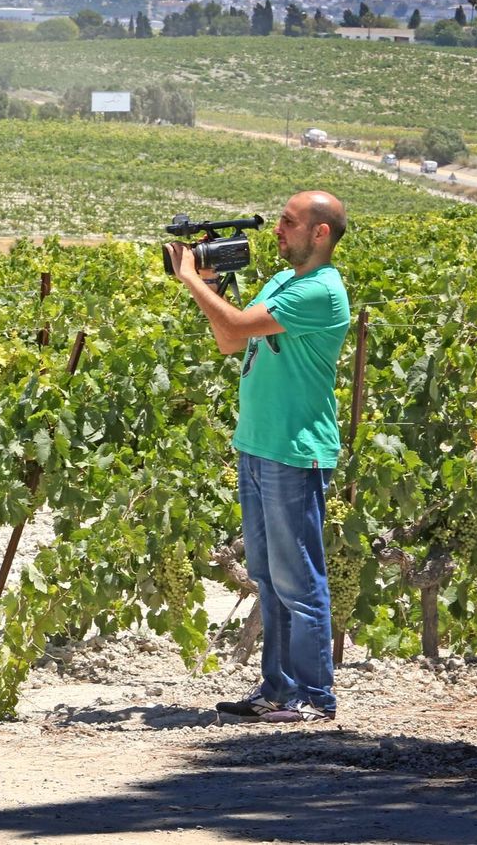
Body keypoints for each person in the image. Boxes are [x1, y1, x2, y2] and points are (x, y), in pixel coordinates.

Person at [166, 190, 351, 724]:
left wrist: (191, 278)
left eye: (289, 223)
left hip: (294, 450)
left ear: (320, 233)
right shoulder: (284, 281)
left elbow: (240, 327)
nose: (277, 230)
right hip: (258, 443)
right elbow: (229, 338)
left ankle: (315, 699)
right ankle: (278, 691)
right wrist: (210, 287)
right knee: (268, 578)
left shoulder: (319, 291)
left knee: (300, 581)